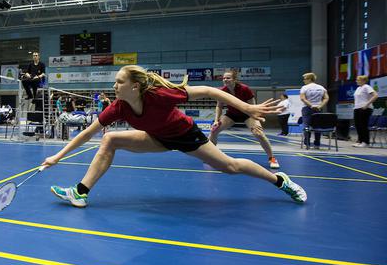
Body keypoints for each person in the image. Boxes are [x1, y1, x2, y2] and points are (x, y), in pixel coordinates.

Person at [43, 65, 306, 208]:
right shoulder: (118, 107)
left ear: (134, 86)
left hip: (186, 135)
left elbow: (208, 91)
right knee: (109, 139)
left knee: (230, 167)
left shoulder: (159, 95)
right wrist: (58, 155)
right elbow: (89, 133)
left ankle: (279, 181)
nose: (114, 86)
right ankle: (80, 192)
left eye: (119, 82)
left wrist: (247, 107)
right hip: (157, 138)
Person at [208, 70, 279, 169]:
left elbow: (253, 106)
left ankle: (272, 158)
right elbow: (219, 106)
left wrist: (255, 119)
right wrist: (216, 120)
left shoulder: (245, 89)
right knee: (214, 130)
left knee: (259, 134)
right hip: (232, 114)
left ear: (234, 79)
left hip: (248, 114)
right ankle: (211, 157)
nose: (225, 80)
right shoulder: (223, 90)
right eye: (224, 78)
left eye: (228, 78)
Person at [300, 72, 329, 149]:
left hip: (307, 108)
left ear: (309, 79)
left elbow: (303, 98)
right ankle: (317, 144)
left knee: (306, 126)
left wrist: (311, 105)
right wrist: (320, 106)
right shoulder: (321, 88)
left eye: (305, 79)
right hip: (318, 109)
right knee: (317, 126)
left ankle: (307, 143)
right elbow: (326, 98)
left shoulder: (304, 87)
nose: (304, 80)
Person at [352, 75, 378, 148]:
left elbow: (375, 95)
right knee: (358, 125)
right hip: (357, 108)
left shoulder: (367, 87)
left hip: (365, 108)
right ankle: (360, 141)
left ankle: (366, 142)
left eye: (358, 80)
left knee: (363, 125)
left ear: (363, 80)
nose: (356, 81)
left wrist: (366, 104)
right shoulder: (358, 88)